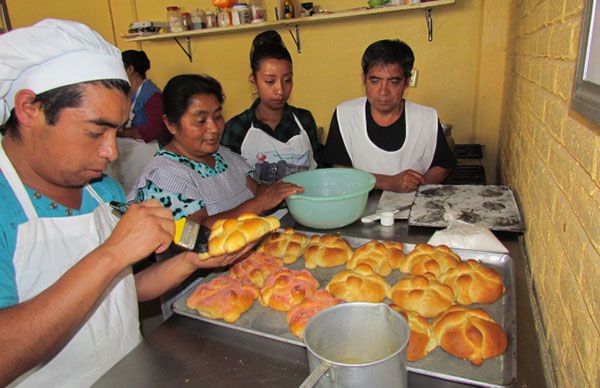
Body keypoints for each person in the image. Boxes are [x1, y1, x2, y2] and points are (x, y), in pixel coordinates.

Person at [0, 19, 246, 387]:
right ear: (29, 109)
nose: (111, 151)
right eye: (95, 132)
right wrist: (112, 254)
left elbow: (122, 292)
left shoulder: (104, 192)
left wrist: (192, 260)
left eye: (116, 131)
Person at [130, 74, 303, 227]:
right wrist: (259, 204)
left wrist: (290, 192)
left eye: (218, 116)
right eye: (200, 120)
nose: (214, 128)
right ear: (170, 124)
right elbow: (196, 233)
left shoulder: (224, 156)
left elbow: (256, 190)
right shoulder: (164, 175)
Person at [322, 39, 456, 193]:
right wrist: (388, 182)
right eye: (375, 81)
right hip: (360, 206)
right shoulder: (345, 115)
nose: (383, 91)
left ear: (406, 81)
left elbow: (444, 165)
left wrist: (416, 184)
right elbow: (339, 171)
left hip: (411, 206)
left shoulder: (426, 118)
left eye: (393, 81)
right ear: (364, 79)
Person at [222, 30, 322, 184]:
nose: (280, 90)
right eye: (270, 81)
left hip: (304, 206)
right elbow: (230, 184)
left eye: (287, 80)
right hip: (255, 209)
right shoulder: (236, 128)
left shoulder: (304, 120)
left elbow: (318, 172)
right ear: (254, 81)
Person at [106, 50, 165, 194]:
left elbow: (154, 130)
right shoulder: (124, 92)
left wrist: (122, 132)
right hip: (125, 156)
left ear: (130, 69)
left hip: (143, 154)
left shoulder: (152, 95)